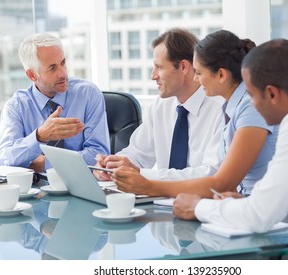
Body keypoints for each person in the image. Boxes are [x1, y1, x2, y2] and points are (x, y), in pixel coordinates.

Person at [173, 39, 288, 259]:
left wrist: (197, 207)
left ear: (272, 94)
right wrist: (247, 203)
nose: (250, 104)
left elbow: (259, 217)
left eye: (251, 95)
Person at [110, 30, 277, 198]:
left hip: (264, 211)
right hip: (242, 204)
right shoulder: (234, 106)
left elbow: (221, 182)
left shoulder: (247, 107)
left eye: (199, 73)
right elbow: (228, 186)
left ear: (221, 75)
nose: (196, 79)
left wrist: (148, 185)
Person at [94, 28, 222, 181]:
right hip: (162, 200)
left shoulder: (220, 109)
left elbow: (211, 174)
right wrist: (112, 165)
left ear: (183, 67)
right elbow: (137, 154)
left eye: (159, 67)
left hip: (202, 201)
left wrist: (141, 174)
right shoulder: (161, 105)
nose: (153, 76)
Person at [0, 33, 110, 172]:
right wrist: (39, 136)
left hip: (82, 187)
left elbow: (99, 156)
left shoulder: (88, 95)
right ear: (32, 75)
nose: (63, 73)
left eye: (63, 63)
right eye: (52, 68)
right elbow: (3, 160)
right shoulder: (16, 107)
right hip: (34, 190)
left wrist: (46, 164)